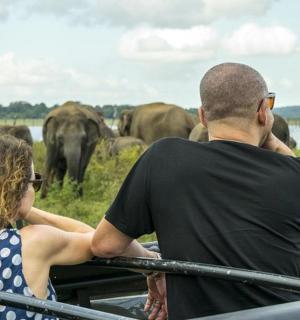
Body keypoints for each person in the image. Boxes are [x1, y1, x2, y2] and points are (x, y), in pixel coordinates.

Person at [91, 62, 300, 319]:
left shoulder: (162, 158)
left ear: (202, 116)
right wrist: (271, 138)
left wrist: (155, 265)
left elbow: (104, 245)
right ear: (262, 111)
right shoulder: (292, 173)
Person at [0, 134, 95, 319]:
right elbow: (98, 240)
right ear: (17, 186)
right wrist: (24, 209)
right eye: (33, 182)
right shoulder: (33, 242)